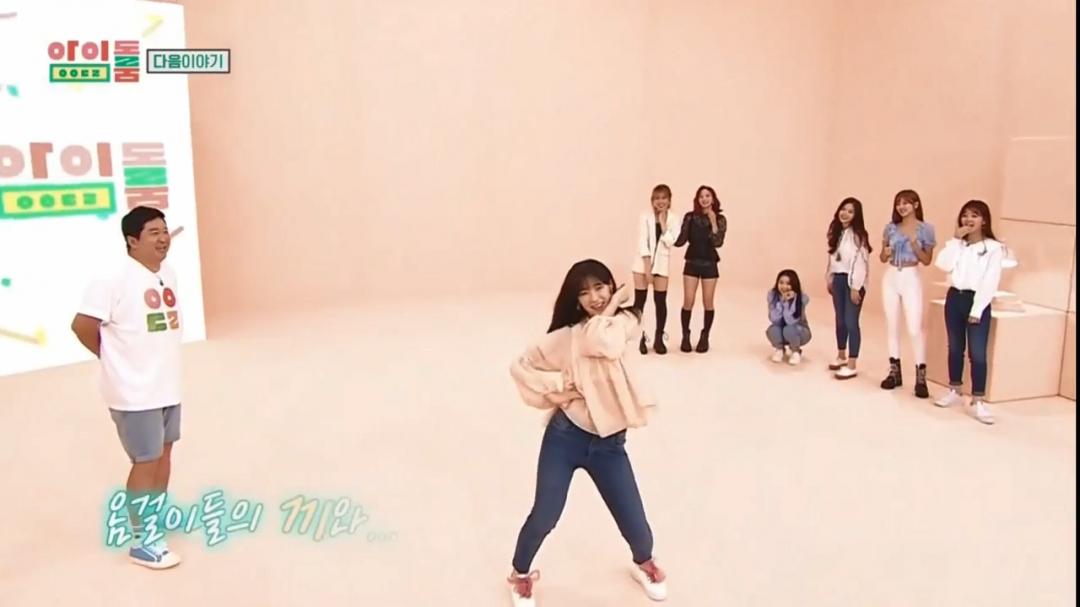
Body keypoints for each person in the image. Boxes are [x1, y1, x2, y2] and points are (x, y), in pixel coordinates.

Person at [507, 259, 667, 606]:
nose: (595, 297)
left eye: (600, 287)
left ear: (611, 286)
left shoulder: (625, 321)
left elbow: (602, 341)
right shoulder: (569, 336)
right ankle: (519, 574)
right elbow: (521, 365)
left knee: (636, 524)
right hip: (565, 438)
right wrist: (557, 389)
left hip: (610, 446)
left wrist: (613, 307)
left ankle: (644, 563)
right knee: (545, 514)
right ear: (575, 300)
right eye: (584, 293)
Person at [70, 206, 183, 569]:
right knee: (145, 460)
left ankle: (153, 520)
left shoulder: (167, 272)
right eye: (153, 233)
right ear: (132, 241)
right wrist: (112, 359)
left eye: (164, 230)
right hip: (134, 391)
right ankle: (142, 542)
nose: (162, 238)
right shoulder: (112, 278)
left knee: (164, 455)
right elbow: (82, 325)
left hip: (166, 384)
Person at [933, 200, 1005, 425]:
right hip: (955, 297)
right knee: (955, 347)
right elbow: (943, 265)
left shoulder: (993, 248)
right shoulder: (959, 245)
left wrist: (977, 308)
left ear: (984, 220)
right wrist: (955, 240)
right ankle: (954, 389)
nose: (968, 219)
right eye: (965, 215)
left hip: (977, 301)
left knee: (978, 353)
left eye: (974, 215)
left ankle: (978, 400)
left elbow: (990, 280)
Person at [879, 189, 936, 398]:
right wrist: (885, 253)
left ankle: (921, 375)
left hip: (911, 276)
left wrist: (913, 243)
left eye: (906, 203)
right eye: (898, 203)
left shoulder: (925, 229)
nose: (901, 207)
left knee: (914, 328)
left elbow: (927, 260)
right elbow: (882, 257)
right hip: (891, 275)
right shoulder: (890, 228)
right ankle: (894, 371)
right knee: (892, 325)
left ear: (916, 205)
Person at [673, 185, 728, 353]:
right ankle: (686, 335)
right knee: (688, 300)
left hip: (709, 263)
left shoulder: (720, 219)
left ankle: (705, 336)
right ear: (697, 199)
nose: (704, 199)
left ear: (713, 198)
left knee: (707, 301)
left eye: (707, 196)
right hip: (692, 261)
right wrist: (666, 229)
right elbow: (680, 240)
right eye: (701, 196)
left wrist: (713, 221)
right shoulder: (690, 217)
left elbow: (718, 242)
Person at [825, 197, 872, 379]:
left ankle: (852, 364)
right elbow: (832, 259)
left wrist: (855, 287)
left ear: (856, 216)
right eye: (843, 209)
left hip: (853, 283)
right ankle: (841, 355)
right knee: (840, 320)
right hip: (838, 279)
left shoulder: (858, 236)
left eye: (850, 211)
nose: (845, 213)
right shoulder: (837, 233)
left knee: (851, 321)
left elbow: (860, 263)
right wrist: (829, 278)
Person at [630, 184, 679, 355]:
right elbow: (642, 242)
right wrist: (647, 269)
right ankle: (639, 338)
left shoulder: (674, 219)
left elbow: (671, 241)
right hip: (642, 264)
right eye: (657, 198)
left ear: (669, 200)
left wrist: (663, 224)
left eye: (664, 198)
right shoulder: (645, 216)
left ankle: (659, 339)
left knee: (660, 302)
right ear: (652, 201)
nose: (660, 201)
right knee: (640, 302)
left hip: (661, 265)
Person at [767, 269, 812, 365]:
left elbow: (791, 321)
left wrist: (787, 303)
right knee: (772, 330)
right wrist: (781, 304)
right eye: (781, 283)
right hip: (782, 329)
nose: (784, 286)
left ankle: (796, 351)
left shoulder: (801, 298)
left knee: (789, 329)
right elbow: (774, 319)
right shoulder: (773, 296)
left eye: (788, 284)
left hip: (800, 331)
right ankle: (779, 349)